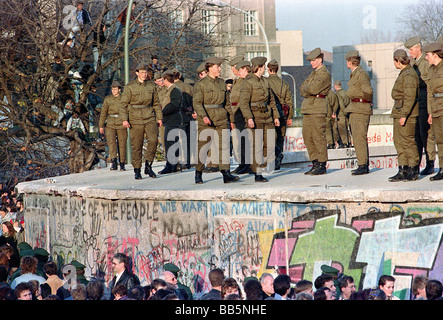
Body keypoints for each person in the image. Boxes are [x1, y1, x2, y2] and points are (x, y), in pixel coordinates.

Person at [192, 56, 239, 184]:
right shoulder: (200, 85)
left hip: (221, 118)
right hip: (206, 119)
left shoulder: (221, 83)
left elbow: (227, 104)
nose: (219, 69)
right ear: (210, 68)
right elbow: (197, 103)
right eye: (217, 67)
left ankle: (226, 173)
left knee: (223, 147)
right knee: (203, 147)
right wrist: (204, 116)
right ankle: (198, 172)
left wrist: (231, 120)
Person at [238, 56, 280, 182]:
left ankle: (261, 165)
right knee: (257, 146)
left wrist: (276, 116)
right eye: (263, 67)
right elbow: (244, 103)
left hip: (267, 117)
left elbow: (272, 101)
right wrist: (249, 118)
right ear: (259, 68)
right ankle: (257, 173)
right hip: (255, 118)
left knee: (271, 143)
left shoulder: (265, 82)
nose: (264, 70)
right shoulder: (248, 82)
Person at [119, 63, 163, 180]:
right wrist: (124, 119)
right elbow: (123, 105)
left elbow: (156, 103)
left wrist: (159, 118)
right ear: (137, 73)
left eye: (146, 72)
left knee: (153, 140)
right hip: (135, 118)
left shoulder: (151, 86)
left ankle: (148, 165)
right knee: (137, 145)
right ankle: (137, 169)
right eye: (142, 72)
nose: (144, 74)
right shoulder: (130, 87)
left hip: (149, 116)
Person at [404, 36, 436, 176]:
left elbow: (428, 83)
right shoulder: (415, 64)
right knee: (416, 136)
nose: (410, 53)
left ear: (418, 48)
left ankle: (430, 162)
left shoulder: (425, 63)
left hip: (424, 103)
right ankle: (416, 164)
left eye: (411, 50)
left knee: (425, 135)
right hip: (417, 103)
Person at [388, 49, 420, 182]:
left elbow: (410, 97)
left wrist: (404, 115)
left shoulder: (408, 75)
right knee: (399, 142)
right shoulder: (404, 74)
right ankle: (403, 169)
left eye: (394, 61)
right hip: (398, 111)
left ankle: (413, 169)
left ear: (398, 60)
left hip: (406, 113)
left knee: (408, 141)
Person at [300, 48, 331, 175]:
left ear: (319, 60)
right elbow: (302, 88)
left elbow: (312, 89)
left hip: (318, 107)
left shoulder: (324, 74)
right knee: (308, 136)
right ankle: (315, 162)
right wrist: (308, 89)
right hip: (308, 107)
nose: (311, 63)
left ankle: (322, 164)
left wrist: (308, 89)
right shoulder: (313, 73)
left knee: (318, 136)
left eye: (313, 61)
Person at [345, 49, 373, 175]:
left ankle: (363, 165)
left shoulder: (361, 74)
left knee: (359, 137)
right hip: (355, 108)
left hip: (360, 109)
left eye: (347, 61)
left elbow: (368, 91)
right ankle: (362, 163)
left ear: (350, 62)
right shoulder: (355, 74)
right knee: (357, 137)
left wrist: (364, 101)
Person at [266, 59, 294, 170]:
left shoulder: (265, 82)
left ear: (268, 69)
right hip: (282, 113)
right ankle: (279, 158)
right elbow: (289, 102)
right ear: (277, 70)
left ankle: (274, 160)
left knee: (270, 137)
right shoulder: (284, 83)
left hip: (270, 113)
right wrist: (290, 117)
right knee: (280, 138)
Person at [157, 70, 185, 174]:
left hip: (173, 118)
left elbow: (174, 104)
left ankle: (171, 165)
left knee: (170, 141)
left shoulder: (174, 90)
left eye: (162, 80)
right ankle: (175, 165)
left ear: (165, 79)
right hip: (170, 118)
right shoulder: (170, 90)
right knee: (172, 141)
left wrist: (162, 112)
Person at [423, 42, 443, 181]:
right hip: (435, 109)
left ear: (435, 55)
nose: (426, 58)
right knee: (439, 140)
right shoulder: (431, 70)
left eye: (428, 55)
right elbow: (430, 93)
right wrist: (430, 113)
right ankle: (442, 168)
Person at [230, 60, 253, 175]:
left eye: (236, 68)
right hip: (237, 113)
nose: (234, 70)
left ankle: (247, 164)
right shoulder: (238, 81)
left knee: (245, 140)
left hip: (243, 113)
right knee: (241, 141)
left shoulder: (247, 81)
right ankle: (242, 164)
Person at [99, 81, 127, 171]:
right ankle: (113, 162)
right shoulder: (108, 99)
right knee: (111, 143)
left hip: (121, 122)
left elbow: (128, 110)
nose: (113, 91)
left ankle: (122, 163)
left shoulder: (124, 98)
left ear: (119, 89)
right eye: (112, 89)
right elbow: (103, 112)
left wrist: (126, 121)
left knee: (122, 143)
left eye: (115, 89)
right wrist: (101, 125)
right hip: (110, 123)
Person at [173, 69, 194, 171]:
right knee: (188, 140)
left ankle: (181, 162)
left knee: (179, 140)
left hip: (177, 116)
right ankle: (188, 162)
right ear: (180, 76)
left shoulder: (172, 88)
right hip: (189, 116)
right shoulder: (189, 87)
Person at [333, 80, 352, 148]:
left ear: (335, 86)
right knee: (347, 129)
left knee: (341, 129)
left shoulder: (337, 94)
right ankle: (349, 142)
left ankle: (344, 143)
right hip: (347, 113)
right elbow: (349, 102)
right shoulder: (345, 92)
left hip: (341, 114)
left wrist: (343, 112)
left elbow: (340, 104)